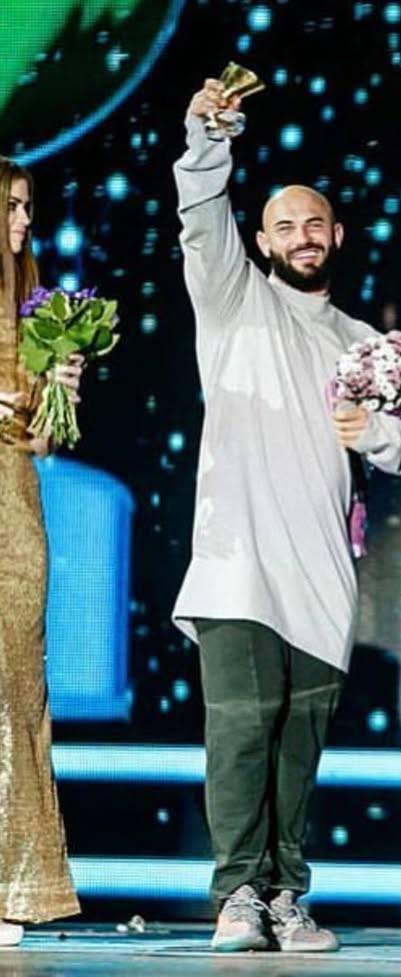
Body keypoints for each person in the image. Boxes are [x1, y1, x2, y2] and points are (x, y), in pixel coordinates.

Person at [171, 79, 401, 953]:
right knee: (241, 732)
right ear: (261, 242)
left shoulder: (364, 342)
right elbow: (200, 215)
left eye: (315, 223)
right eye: (284, 225)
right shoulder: (233, 300)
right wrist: (208, 139)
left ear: (337, 235)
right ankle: (237, 895)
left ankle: (287, 894)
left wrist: (380, 435)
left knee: (299, 745)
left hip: (322, 571)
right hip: (237, 562)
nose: (302, 236)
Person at [0, 156, 84, 946]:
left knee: (17, 692)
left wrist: (59, 389)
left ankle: (14, 884)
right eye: (13, 205)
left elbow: (42, 440)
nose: (25, 220)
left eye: (29, 206)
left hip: (15, 518)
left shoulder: (36, 315)